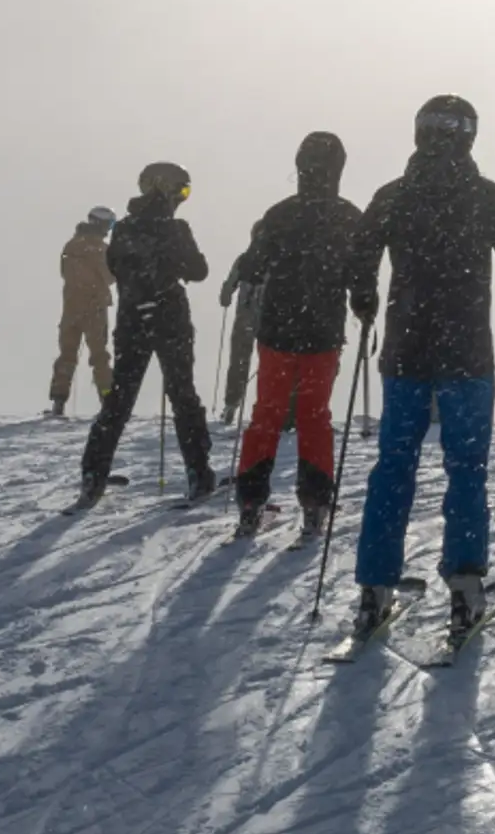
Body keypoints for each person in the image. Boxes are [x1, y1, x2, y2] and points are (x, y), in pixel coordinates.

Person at [346, 96, 495, 645]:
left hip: (406, 352)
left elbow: (360, 252)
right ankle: (464, 588)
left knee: (394, 465)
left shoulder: (394, 195)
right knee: (466, 467)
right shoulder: (484, 196)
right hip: (465, 353)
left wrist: (364, 296)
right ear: (469, 137)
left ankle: (374, 590)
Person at [229, 133, 365, 538]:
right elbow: (359, 275)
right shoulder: (347, 216)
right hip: (322, 334)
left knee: (266, 415)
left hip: (277, 331)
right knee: (314, 417)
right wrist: (364, 304)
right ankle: (314, 503)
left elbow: (254, 266)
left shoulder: (279, 214)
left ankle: (251, 503)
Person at [79, 164, 214, 506]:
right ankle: (199, 474)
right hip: (171, 318)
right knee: (182, 394)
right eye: (181, 191)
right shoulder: (176, 228)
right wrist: (174, 266)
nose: (183, 198)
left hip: (132, 320)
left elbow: (115, 267)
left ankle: (93, 476)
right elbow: (199, 270)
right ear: (163, 188)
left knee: (120, 398)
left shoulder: (124, 228)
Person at [49, 206, 116, 417]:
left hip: (70, 310)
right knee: (100, 357)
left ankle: (58, 402)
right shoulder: (101, 249)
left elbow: (65, 274)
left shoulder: (71, 245)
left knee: (66, 356)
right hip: (94, 310)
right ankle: (108, 401)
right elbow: (111, 276)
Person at [216, 250, 261, 427]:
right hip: (272, 319)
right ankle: (273, 409)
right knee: (271, 364)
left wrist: (227, 296)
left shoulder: (245, 258)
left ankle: (231, 405)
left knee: (239, 361)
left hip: (245, 315)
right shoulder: (278, 256)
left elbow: (226, 292)